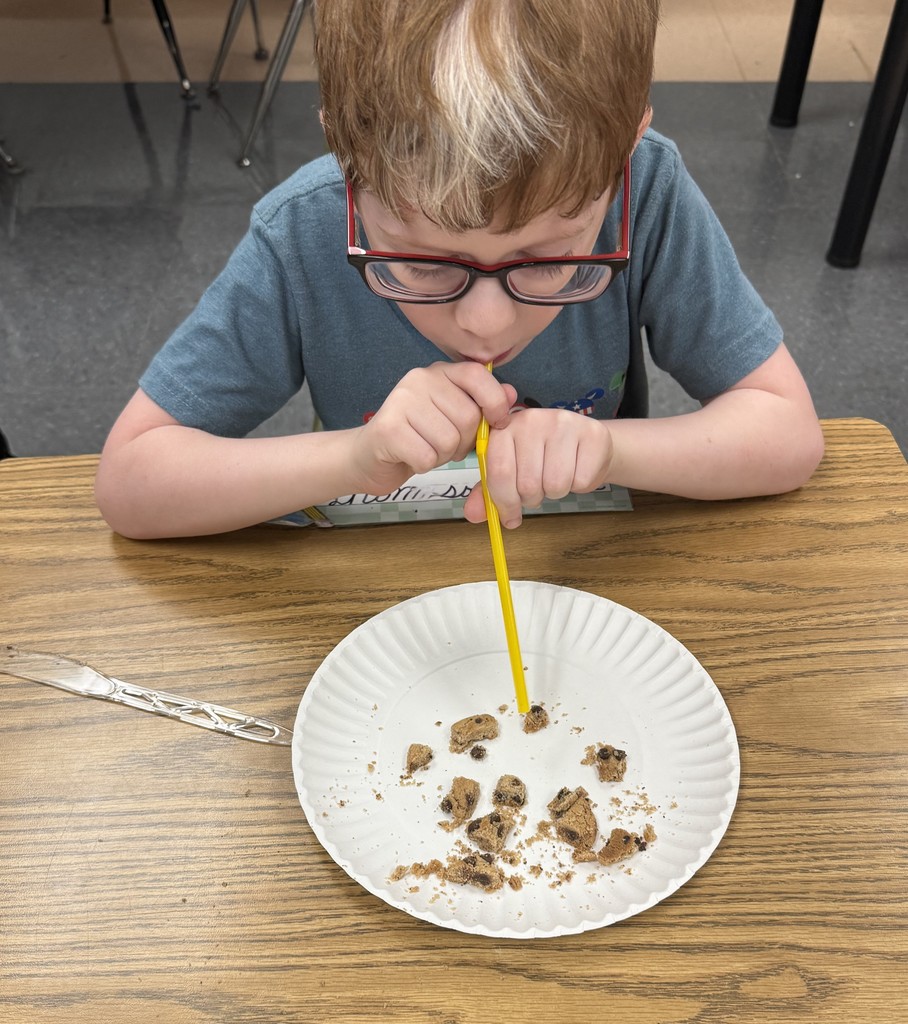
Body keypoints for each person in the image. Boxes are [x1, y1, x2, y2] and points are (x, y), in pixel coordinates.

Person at [95, 0, 824, 540]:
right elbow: (131, 484)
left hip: (585, 581)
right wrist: (353, 457)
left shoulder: (648, 192)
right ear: (351, 163)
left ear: (626, 146)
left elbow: (787, 433)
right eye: (418, 260)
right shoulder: (304, 231)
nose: (484, 324)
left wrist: (608, 448)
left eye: (550, 258)